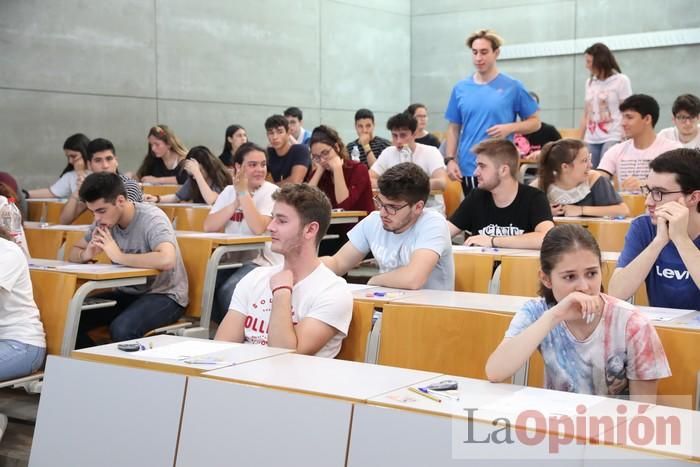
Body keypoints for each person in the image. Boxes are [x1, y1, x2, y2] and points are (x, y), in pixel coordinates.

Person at [485, 224, 671, 403]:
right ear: (546, 278)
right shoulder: (537, 311)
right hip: (558, 424)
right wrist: (554, 316)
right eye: (569, 277)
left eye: (591, 274)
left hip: (613, 427)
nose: (584, 287)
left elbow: (643, 409)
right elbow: (495, 371)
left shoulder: (632, 323)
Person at [215, 184, 353, 358]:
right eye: (272, 218)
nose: (270, 226)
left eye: (281, 220)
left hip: (293, 383)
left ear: (310, 230)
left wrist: (281, 293)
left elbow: (284, 357)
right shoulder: (255, 277)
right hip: (243, 378)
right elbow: (221, 349)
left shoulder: (333, 292)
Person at [68, 173, 188, 347]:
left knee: (122, 328)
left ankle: (132, 372)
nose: (97, 218)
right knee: (72, 319)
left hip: (165, 295)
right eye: (92, 212)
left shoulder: (152, 218)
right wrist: (86, 254)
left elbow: (167, 259)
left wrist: (119, 256)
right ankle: (100, 365)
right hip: (127, 293)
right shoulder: (104, 220)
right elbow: (73, 252)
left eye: (101, 211)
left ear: (120, 201)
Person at [322, 162, 454, 291]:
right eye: (380, 202)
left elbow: (413, 279)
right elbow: (338, 263)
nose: (383, 213)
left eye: (392, 207)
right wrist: (305, 269)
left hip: (431, 309)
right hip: (390, 305)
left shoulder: (433, 223)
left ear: (418, 207)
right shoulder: (373, 221)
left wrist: (374, 281)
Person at [444, 29, 540, 195]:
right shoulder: (460, 88)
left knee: (502, 217)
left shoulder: (513, 86)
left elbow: (535, 122)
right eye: (474, 53)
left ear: (496, 53)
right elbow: (454, 127)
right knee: (474, 217)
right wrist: (450, 160)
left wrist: (509, 128)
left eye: (484, 52)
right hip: (469, 166)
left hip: (501, 167)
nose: (478, 58)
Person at [609, 148, 700, 310]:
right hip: (661, 332)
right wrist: (658, 242)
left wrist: (681, 239)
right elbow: (616, 293)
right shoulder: (643, 227)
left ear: (693, 197)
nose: (648, 202)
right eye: (649, 191)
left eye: (659, 193)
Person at [204, 142, 281, 324]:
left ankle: (237, 335)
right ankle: (223, 330)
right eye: (252, 165)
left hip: (263, 261)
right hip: (232, 259)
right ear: (238, 167)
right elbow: (209, 226)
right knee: (206, 287)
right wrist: (234, 202)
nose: (259, 170)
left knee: (229, 290)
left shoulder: (273, 192)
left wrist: (244, 194)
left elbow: (258, 228)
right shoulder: (229, 191)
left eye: (263, 164)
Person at [449, 140, 553, 248]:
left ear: (503, 170)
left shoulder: (534, 198)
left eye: (482, 166)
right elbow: (445, 232)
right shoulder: (476, 197)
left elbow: (546, 238)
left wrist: (493, 241)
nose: (475, 172)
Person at [307, 125, 374, 256]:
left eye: (325, 153)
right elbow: (304, 201)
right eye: (316, 157)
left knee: (323, 251)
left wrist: (337, 169)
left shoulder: (358, 169)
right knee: (309, 247)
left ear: (337, 148)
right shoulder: (321, 173)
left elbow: (344, 205)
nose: (322, 160)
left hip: (361, 234)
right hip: (334, 233)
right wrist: (319, 170)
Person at [597, 94, 681, 193]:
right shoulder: (615, 150)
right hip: (627, 207)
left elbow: (682, 184)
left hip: (661, 207)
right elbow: (598, 178)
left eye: (629, 117)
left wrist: (647, 184)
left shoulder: (672, 150)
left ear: (647, 119)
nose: (623, 123)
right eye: (623, 117)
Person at [370, 112, 447, 214]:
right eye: (394, 135)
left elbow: (441, 182)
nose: (398, 141)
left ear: (414, 134)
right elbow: (370, 178)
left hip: (428, 210)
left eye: (403, 135)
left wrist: (408, 187)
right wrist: (393, 186)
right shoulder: (388, 152)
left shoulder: (431, 152)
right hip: (397, 211)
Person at [532, 139, 629, 218]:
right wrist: (543, 212)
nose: (590, 165)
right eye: (584, 161)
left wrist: (581, 210)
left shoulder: (595, 179)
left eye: (589, 159)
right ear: (565, 167)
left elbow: (623, 210)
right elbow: (521, 211)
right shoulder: (540, 184)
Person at [59, 138, 144, 224]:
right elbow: (64, 221)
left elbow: (117, 219)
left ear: (116, 161)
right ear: (89, 165)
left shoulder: (129, 185)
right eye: (98, 160)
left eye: (109, 159)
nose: (105, 165)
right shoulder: (93, 187)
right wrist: (77, 191)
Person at [579, 43, 633, 168]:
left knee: (605, 171)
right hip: (591, 137)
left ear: (600, 61)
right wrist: (579, 139)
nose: (586, 66)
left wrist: (627, 135)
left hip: (613, 134)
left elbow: (628, 110)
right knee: (588, 172)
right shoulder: (590, 82)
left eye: (589, 62)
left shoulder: (621, 80)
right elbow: (586, 113)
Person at [144, 146, 230, 205]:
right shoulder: (194, 179)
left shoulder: (221, 178)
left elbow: (211, 200)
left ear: (208, 166)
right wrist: (157, 199)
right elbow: (177, 197)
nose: (193, 175)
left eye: (199, 170)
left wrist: (197, 173)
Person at [26, 133, 90, 199]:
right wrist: (25, 194)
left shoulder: (98, 170)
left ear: (85, 152)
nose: (70, 161)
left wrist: (81, 173)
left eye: (73, 156)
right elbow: (52, 192)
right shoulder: (70, 175)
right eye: (68, 157)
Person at [514, 91, 562, 162]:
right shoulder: (512, 130)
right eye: (525, 106)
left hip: (539, 170)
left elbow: (562, 152)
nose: (528, 110)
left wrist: (543, 154)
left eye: (532, 106)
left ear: (538, 109)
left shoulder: (549, 131)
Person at [265, 114, 311, 184]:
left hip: (302, 194)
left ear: (288, 132)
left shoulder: (300, 150)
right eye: (271, 133)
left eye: (280, 132)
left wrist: (269, 188)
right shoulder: (269, 153)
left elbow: (295, 182)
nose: (275, 137)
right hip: (278, 193)